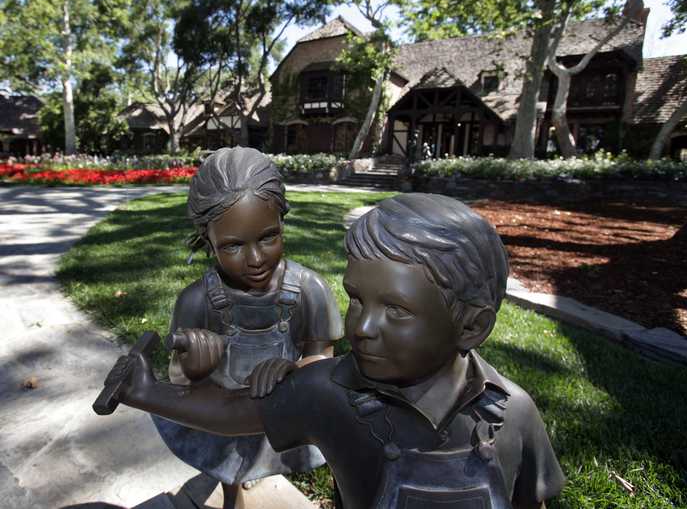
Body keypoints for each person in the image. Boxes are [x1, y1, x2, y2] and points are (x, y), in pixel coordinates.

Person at [103, 193, 565, 509]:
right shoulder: (329, 390)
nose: (361, 326)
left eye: (396, 310)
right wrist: (144, 390)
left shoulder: (514, 414)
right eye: (357, 298)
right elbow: (229, 410)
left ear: (472, 326)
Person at [152, 146, 343, 509]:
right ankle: (232, 494)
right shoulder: (196, 301)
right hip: (223, 409)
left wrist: (294, 371)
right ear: (207, 240)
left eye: (268, 237)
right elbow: (178, 375)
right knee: (230, 465)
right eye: (233, 246)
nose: (255, 260)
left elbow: (323, 357)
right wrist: (193, 369)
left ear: (282, 222)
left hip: (283, 409)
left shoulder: (309, 290)